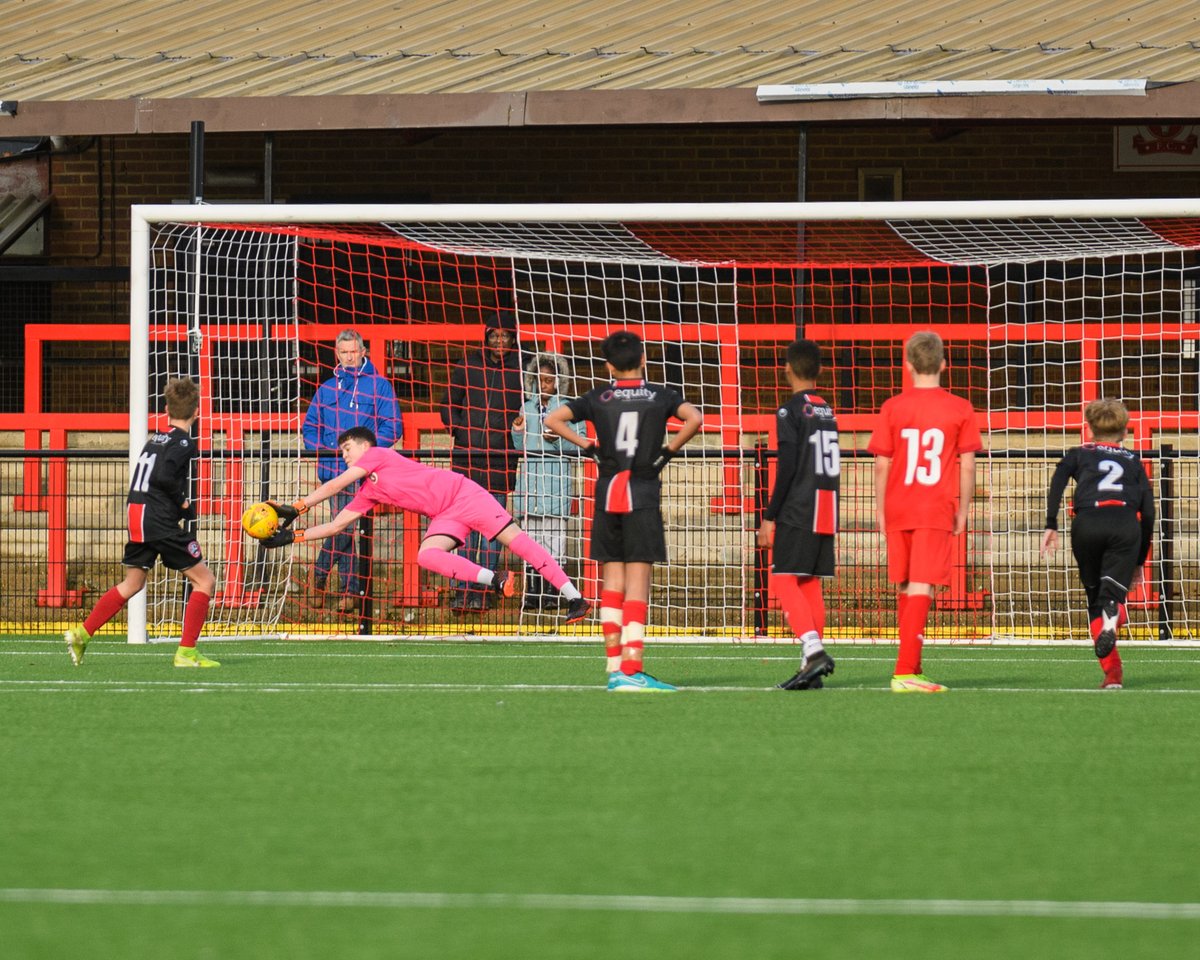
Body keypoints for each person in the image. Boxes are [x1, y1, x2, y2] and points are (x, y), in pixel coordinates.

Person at [260, 426, 591, 626]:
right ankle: (495, 580)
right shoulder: (368, 491)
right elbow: (336, 526)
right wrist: (291, 536)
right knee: (428, 556)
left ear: (363, 446)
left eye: (347, 449)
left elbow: (334, 485)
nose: (344, 455)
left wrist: (297, 507)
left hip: (466, 494)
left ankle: (575, 597)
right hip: (445, 515)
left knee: (518, 542)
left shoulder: (376, 454)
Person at [545, 330, 703, 692]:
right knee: (638, 584)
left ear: (608, 366)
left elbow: (553, 419)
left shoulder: (598, 396)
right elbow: (694, 418)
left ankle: (615, 666)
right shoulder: (658, 395)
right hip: (642, 493)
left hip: (607, 493)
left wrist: (586, 444)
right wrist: (670, 449)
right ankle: (633, 669)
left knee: (611, 581)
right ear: (644, 359)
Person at [65, 377, 219, 668]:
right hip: (158, 520)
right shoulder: (184, 442)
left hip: (137, 516)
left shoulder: (155, 439)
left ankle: (82, 633)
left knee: (132, 583)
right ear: (197, 412)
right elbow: (163, 477)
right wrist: (182, 502)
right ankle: (186, 652)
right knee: (205, 580)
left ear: (166, 409)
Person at [867, 330, 982, 693]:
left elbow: (882, 464)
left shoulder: (892, 406)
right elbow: (966, 465)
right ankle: (904, 672)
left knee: (906, 584)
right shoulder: (960, 407)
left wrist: (880, 508)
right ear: (944, 364)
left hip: (899, 503)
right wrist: (963, 509)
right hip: (933, 505)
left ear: (907, 364)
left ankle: (911, 667)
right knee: (922, 585)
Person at [1040, 399, 1154, 690]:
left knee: (1095, 599)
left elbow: (1057, 481)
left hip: (1088, 522)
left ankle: (1112, 673)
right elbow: (1150, 511)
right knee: (1112, 597)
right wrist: (1140, 558)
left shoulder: (1079, 453)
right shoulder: (1132, 460)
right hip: (1124, 522)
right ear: (1125, 433)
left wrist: (1051, 524)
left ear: (1088, 429)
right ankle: (1113, 612)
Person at [757, 340, 839, 691]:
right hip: (826, 504)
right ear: (819, 371)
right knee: (809, 582)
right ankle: (811, 664)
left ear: (787, 369)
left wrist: (769, 516)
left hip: (799, 507)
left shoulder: (788, 412)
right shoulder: (827, 409)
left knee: (782, 580)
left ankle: (813, 648)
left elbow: (788, 467)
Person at [301, 329, 401, 613]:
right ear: (337, 354)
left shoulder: (379, 386)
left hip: (363, 472)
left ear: (363, 352)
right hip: (332, 470)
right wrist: (323, 450)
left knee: (344, 526)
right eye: (343, 352)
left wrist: (366, 453)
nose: (348, 357)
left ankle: (320, 576)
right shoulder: (327, 389)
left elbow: (393, 426)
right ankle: (348, 590)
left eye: (353, 352)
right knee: (344, 526)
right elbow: (310, 427)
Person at [440, 311, 524, 612]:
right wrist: (461, 432)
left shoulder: (521, 370)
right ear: (486, 337)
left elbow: (527, 409)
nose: (499, 341)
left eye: (505, 336)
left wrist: (514, 434)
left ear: (513, 340)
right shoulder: (468, 364)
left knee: (492, 532)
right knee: (461, 530)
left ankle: (484, 591)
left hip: (501, 462)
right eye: (494, 336)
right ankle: (460, 591)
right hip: (466, 460)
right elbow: (448, 403)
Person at [511, 352, 582, 612]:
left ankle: (554, 591)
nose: (544, 385)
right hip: (530, 483)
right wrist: (517, 430)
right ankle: (532, 591)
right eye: (540, 380)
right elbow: (519, 447)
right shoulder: (526, 407)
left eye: (550, 380)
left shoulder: (569, 408)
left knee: (555, 541)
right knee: (531, 540)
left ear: (559, 381)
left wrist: (560, 440)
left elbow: (580, 443)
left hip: (556, 482)